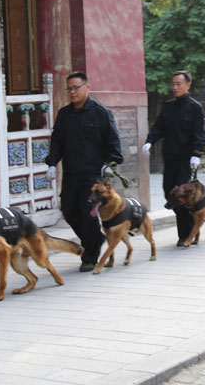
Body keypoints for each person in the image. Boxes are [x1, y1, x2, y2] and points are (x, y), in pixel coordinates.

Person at [45, 71, 124, 272]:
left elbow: (113, 140)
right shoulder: (64, 114)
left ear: (87, 88)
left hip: (92, 174)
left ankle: (90, 256)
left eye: (76, 88)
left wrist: (111, 162)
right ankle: (95, 239)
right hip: (71, 173)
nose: (72, 92)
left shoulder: (100, 113)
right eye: (69, 88)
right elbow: (57, 142)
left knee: (88, 214)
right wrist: (52, 163)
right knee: (69, 211)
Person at [142, 71, 205, 246]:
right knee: (168, 192)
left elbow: (200, 133)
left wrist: (196, 154)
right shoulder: (168, 107)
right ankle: (192, 228)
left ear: (188, 85)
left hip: (187, 159)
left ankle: (186, 235)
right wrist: (149, 141)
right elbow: (159, 127)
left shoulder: (195, 108)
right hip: (170, 158)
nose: (175, 87)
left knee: (181, 194)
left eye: (179, 84)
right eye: (173, 84)